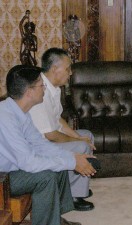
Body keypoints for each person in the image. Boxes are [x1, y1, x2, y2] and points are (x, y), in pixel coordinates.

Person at [0, 65, 97, 225]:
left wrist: (72, 157)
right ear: (29, 92)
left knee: (59, 166)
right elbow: (29, 162)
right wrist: (71, 162)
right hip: (3, 178)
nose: (44, 87)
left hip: (13, 168)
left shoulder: (20, 111)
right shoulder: (5, 118)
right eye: (41, 85)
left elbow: (40, 144)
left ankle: (54, 219)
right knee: (46, 177)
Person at [29, 47, 96, 211]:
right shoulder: (39, 90)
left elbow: (57, 119)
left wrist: (77, 136)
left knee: (87, 135)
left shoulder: (55, 88)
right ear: (54, 69)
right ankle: (70, 196)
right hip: (37, 147)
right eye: (67, 69)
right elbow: (51, 135)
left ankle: (77, 192)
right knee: (82, 146)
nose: (71, 73)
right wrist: (77, 140)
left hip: (49, 139)